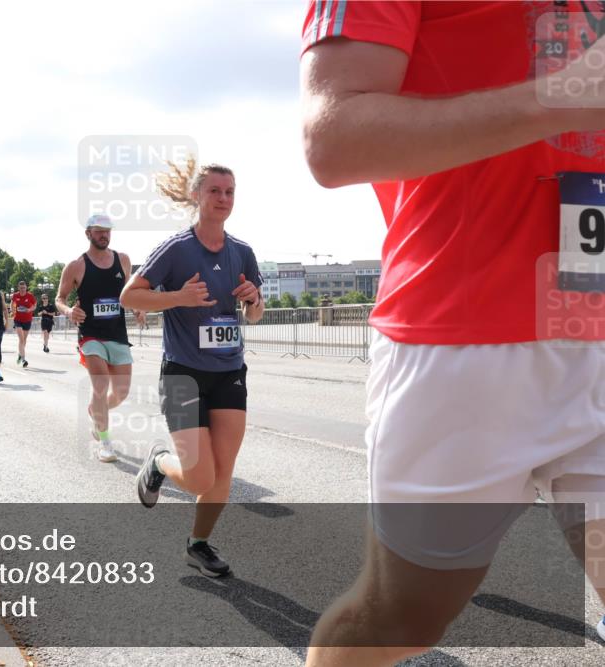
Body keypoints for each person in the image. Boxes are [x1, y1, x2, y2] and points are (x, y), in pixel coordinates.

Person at [299, 2, 605, 663]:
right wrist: (561, 100)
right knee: (396, 620)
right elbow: (335, 140)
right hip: (462, 342)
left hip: (597, 321)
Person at [121, 161, 263, 577]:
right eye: (215, 191)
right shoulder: (177, 249)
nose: (223, 199)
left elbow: (254, 316)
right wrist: (178, 298)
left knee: (222, 475)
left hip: (229, 372)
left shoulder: (243, 252)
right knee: (201, 478)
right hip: (183, 373)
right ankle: (159, 462)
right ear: (197, 196)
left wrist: (254, 300)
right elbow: (130, 297)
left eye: (230, 192)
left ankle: (198, 545)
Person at [56, 214, 144, 462]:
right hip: (90, 335)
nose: (104, 235)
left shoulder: (123, 260)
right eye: (98, 231)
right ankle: (105, 442)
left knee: (121, 393)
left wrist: (138, 307)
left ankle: (97, 410)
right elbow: (59, 299)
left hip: (117, 334)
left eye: (107, 231)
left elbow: (130, 292)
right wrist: (69, 311)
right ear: (88, 234)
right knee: (101, 384)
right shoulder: (76, 266)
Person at [11, 280, 37, 367]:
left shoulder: (30, 296)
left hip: (27, 320)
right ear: (18, 288)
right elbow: (12, 303)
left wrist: (29, 310)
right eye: (21, 288)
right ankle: (23, 359)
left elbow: (34, 305)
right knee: (21, 339)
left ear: (26, 287)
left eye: (24, 288)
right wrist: (13, 310)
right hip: (17, 320)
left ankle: (20, 354)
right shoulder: (15, 295)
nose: (22, 289)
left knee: (24, 340)